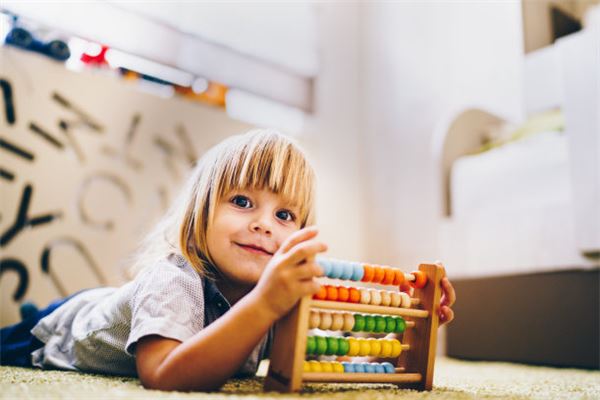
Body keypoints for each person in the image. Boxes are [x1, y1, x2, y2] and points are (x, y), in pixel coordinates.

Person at [0, 129, 456, 391]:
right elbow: (162, 374)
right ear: (201, 211)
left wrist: (414, 321)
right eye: (241, 201)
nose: (264, 225)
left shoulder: (275, 292)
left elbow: (336, 330)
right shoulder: (174, 277)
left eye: (284, 215)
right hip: (53, 332)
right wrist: (264, 305)